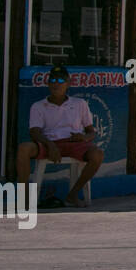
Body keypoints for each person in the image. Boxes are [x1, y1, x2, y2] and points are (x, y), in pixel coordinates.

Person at [15, 64, 104, 207]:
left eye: (61, 81)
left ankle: (73, 194)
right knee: (23, 148)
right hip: (48, 143)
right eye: (53, 80)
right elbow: (34, 132)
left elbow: (91, 131)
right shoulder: (38, 106)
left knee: (97, 154)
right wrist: (50, 145)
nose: (56, 84)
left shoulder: (79, 104)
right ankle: (25, 199)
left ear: (68, 83)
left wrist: (84, 138)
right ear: (48, 83)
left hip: (74, 143)